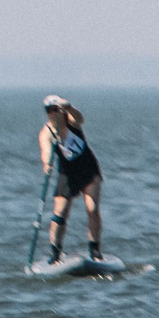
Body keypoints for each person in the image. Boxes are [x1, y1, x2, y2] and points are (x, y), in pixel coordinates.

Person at [39, 94, 104, 263]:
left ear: (61, 111)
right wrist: (47, 164)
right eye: (49, 111)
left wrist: (69, 108)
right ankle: (55, 251)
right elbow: (45, 150)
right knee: (59, 214)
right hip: (67, 174)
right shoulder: (46, 133)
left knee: (92, 209)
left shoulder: (71, 121)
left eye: (55, 110)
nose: (52, 114)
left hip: (88, 169)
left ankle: (95, 249)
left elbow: (80, 119)